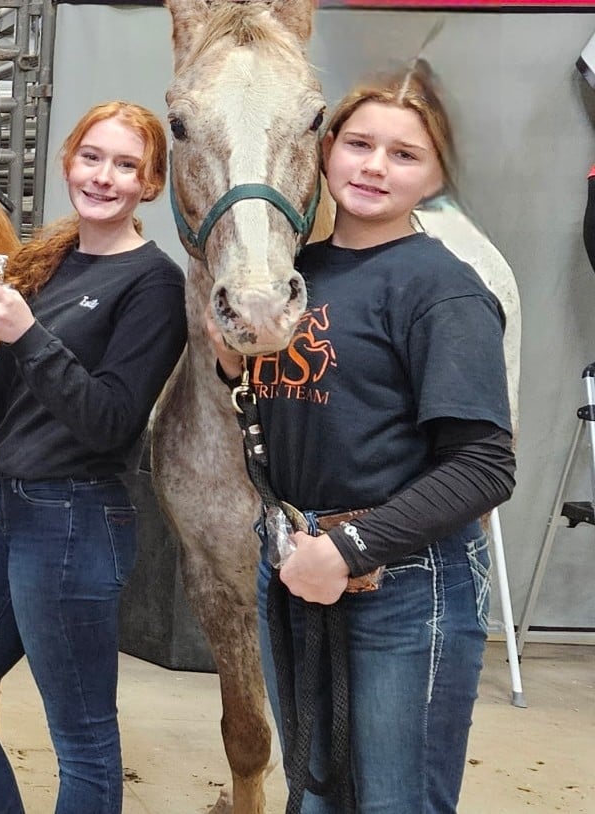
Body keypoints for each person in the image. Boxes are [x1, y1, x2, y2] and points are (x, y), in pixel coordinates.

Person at [206, 63, 513, 813]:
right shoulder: (295, 274)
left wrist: (348, 550)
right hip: (294, 564)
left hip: (402, 589)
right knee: (314, 797)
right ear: (325, 149)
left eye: (404, 154)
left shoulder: (441, 289)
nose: (375, 166)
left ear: (438, 172)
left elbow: (484, 466)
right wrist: (230, 366)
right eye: (360, 144)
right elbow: (317, 404)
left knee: (392, 803)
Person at [0, 101, 185, 813]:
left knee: (83, 742)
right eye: (92, 157)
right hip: (17, 516)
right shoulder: (52, 263)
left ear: (150, 183)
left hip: (78, 522)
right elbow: (7, 408)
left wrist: (25, 334)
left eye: (126, 165)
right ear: (68, 163)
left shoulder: (153, 284)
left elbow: (111, 421)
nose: (104, 176)